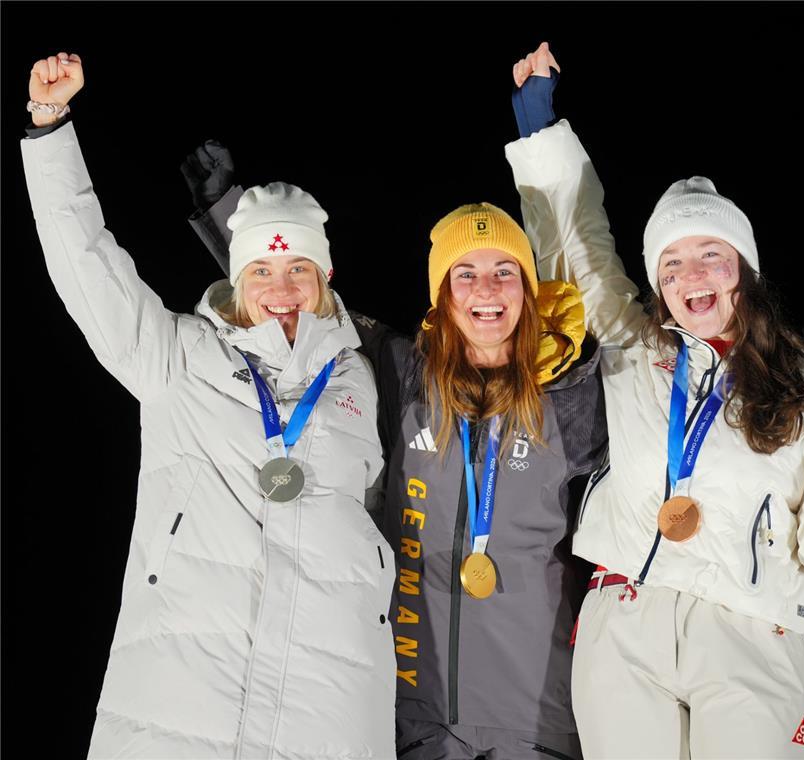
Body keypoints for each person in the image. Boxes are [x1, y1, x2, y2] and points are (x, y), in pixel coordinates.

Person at [506, 43, 804, 759]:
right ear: (659, 283)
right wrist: (539, 127)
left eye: (711, 254)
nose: (691, 273)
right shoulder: (635, 348)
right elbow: (578, 246)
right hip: (627, 618)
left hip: (750, 632)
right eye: (671, 262)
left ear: (744, 270)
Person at [181, 140, 608, 760]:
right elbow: (297, 304)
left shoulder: (569, 388)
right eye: (465, 273)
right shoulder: (404, 373)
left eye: (504, 271)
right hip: (413, 712)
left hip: (537, 716)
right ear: (442, 292)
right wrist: (232, 218)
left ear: (528, 288)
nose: (484, 289)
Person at [22, 52, 396, 759]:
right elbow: (86, 264)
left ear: (327, 276)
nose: (280, 288)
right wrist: (50, 130)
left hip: (331, 703)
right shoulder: (179, 357)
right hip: (182, 695)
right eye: (260, 270)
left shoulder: (364, 376)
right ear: (236, 276)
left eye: (297, 270)